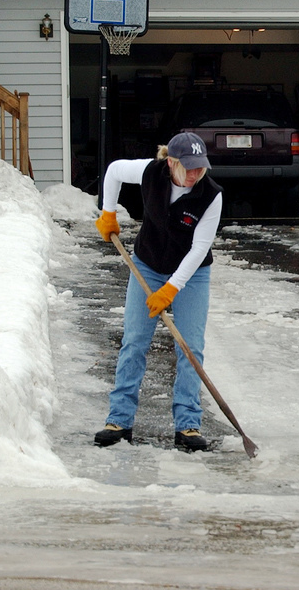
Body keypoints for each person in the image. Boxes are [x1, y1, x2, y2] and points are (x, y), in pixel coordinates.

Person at [93, 132, 224, 452]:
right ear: (172, 163)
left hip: (192, 275)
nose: (195, 174)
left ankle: (188, 425)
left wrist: (170, 289)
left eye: (200, 168)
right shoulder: (151, 171)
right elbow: (112, 171)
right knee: (135, 341)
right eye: (188, 168)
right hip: (148, 264)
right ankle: (119, 420)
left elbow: (199, 249)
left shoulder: (211, 195)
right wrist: (107, 212)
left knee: (190, 346)